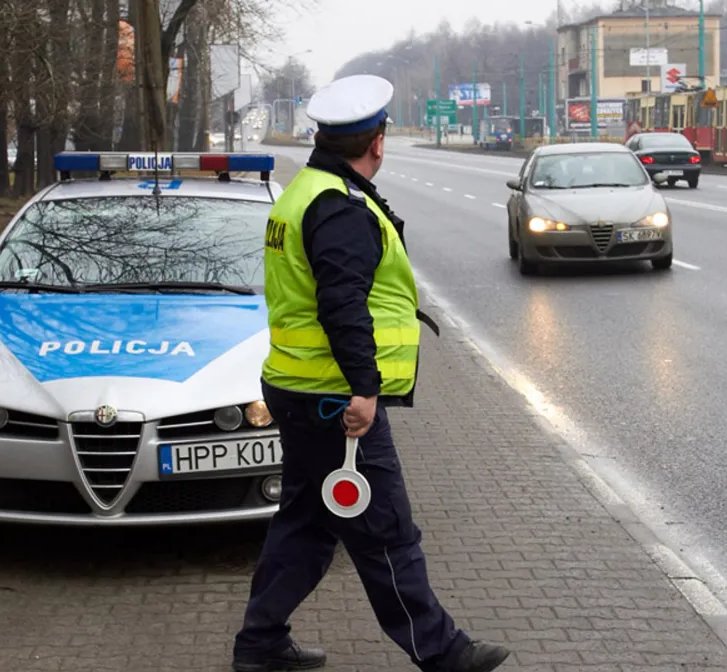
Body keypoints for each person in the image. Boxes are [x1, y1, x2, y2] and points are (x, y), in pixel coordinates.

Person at [230, 74, 512, 672]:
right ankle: (443, 653)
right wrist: (363, 389)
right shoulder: (338, 207)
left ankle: (260, 645)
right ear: (377, 142)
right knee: (384, 531)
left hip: (297, 384)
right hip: (333, 398)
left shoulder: (305, 190)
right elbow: (342, 304)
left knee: (306, 525)